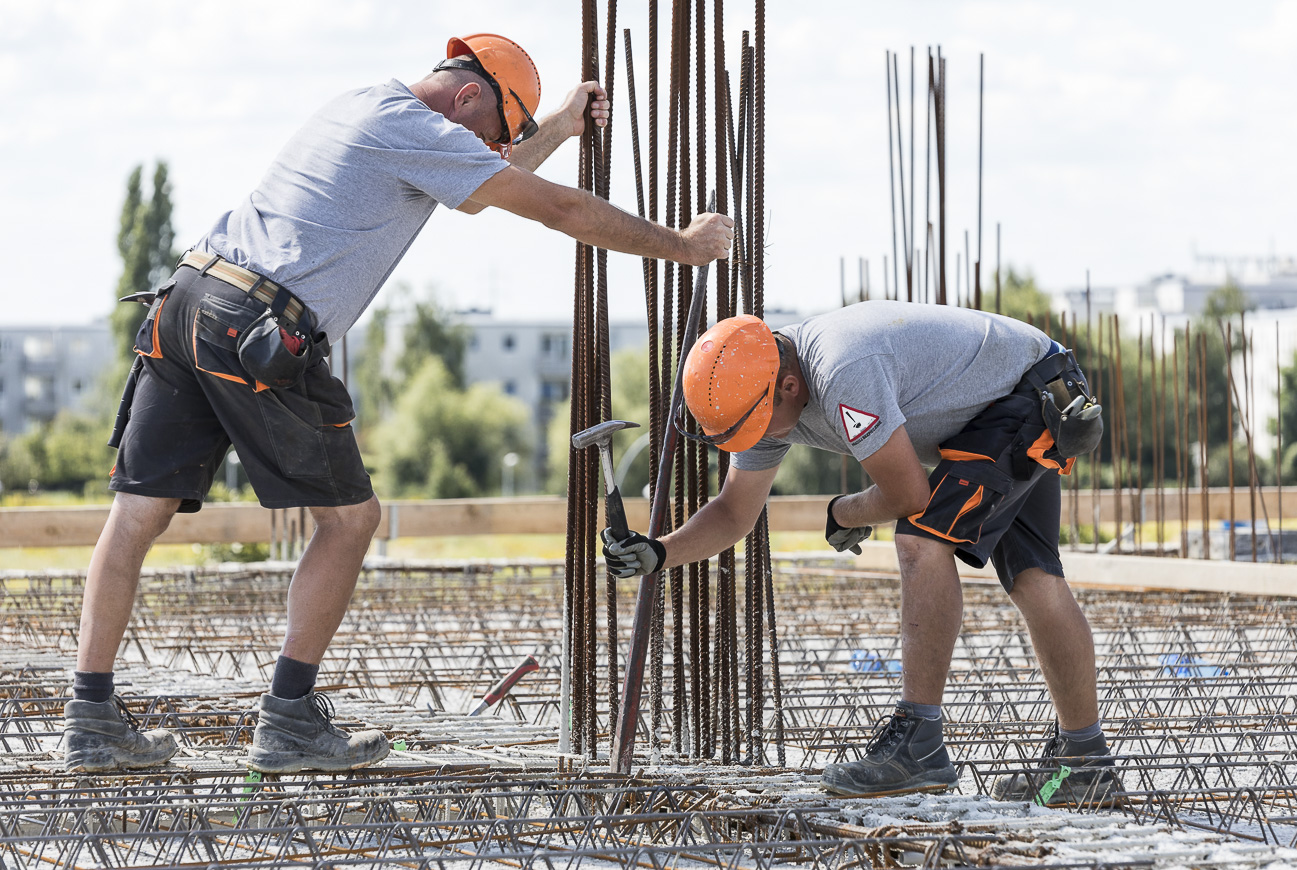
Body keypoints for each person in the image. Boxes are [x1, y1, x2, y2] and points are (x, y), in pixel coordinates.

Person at [64, 32, 734, 775]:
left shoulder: (366, 106)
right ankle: (288, 721)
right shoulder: (415, 130)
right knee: (351, 522)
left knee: (135, 514)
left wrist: (562, 126)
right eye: (493, 131)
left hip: (189, 300)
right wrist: (682, 244)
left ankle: (90, 719)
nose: (492, 149)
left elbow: (492, 180)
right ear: (469, 96)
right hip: (257, 326)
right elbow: (556, 209)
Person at [601, 301, 1120, 807]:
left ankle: (920, 744)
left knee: (920, 537)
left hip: (1028, 394)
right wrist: (659, 551)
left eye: (754, 426)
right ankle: (1085, 762)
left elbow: (909, 496)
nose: (751, 441)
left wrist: (843, 512)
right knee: (1033, 576)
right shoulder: (761, 387)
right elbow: (735, 513)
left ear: (788, 387)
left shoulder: (843, 368)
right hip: (1024, 390)